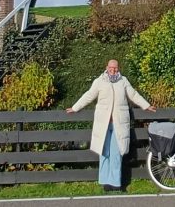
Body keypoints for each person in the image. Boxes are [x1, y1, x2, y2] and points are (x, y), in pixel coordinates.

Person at [66, 59, 156, 191]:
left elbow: (133, 95)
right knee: (104, 153)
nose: (113, 70)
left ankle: (115, 183)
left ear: (118, 68)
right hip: (103, 125)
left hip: (118, 124)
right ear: (106, 67)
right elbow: (89, 95)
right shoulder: (99, 81)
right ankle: (105, 182)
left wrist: (146, 106)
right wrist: (75, 108)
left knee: (116, 153)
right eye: (111, 68)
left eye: (115, 68)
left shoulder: (123, 81)